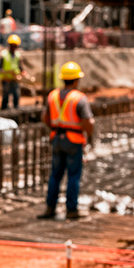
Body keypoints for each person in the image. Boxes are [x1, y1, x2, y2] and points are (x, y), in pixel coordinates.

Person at [38, 61, 94, 221]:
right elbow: (89, 122)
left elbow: (45, 117)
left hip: (56, 139)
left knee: (55, 175)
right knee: (73, 176)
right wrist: (90, 138)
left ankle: (50, 207)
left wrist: (55, 128)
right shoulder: (80, 99)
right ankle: (71, 210)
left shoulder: (52, 96)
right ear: (76, 80)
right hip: (74, 140)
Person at [0, 34, 24, 109]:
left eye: (15, 46)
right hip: (6, 79)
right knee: (5, 95)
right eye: (12, 45)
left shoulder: (18, 55)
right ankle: (4, 109)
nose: (13, 47)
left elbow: (20, 68)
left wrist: (21, 73)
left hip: (15, 79)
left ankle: (16, 109)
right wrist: (6, 74)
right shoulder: (4, 55)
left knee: (16, 95)